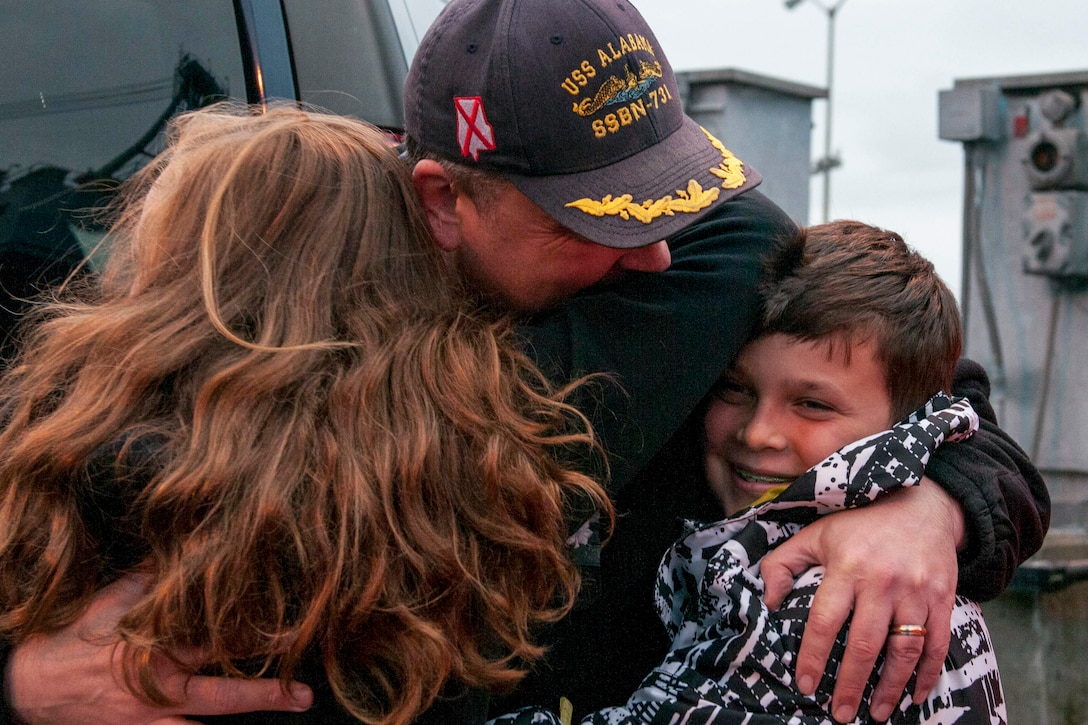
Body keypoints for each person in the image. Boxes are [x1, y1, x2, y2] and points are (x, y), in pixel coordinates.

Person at [2, 0, 1049, 723]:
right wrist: (20, 681)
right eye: (595, 215)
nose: (653, 250)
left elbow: (895, 370)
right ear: (441, 201)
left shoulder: (674, 283)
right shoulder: (149, 454)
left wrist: (929, 501)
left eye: (666, 192)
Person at [0, 103, 615, 724]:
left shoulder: (51, 455)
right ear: (410, 264)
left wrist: (17, 684)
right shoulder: (485, 471)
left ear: (173, 264)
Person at [491, 220, 1006, 724]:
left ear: (907, 421)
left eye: (811, 404)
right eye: (734, 389)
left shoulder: (819, 603)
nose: (759, 433)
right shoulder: (759, 547)